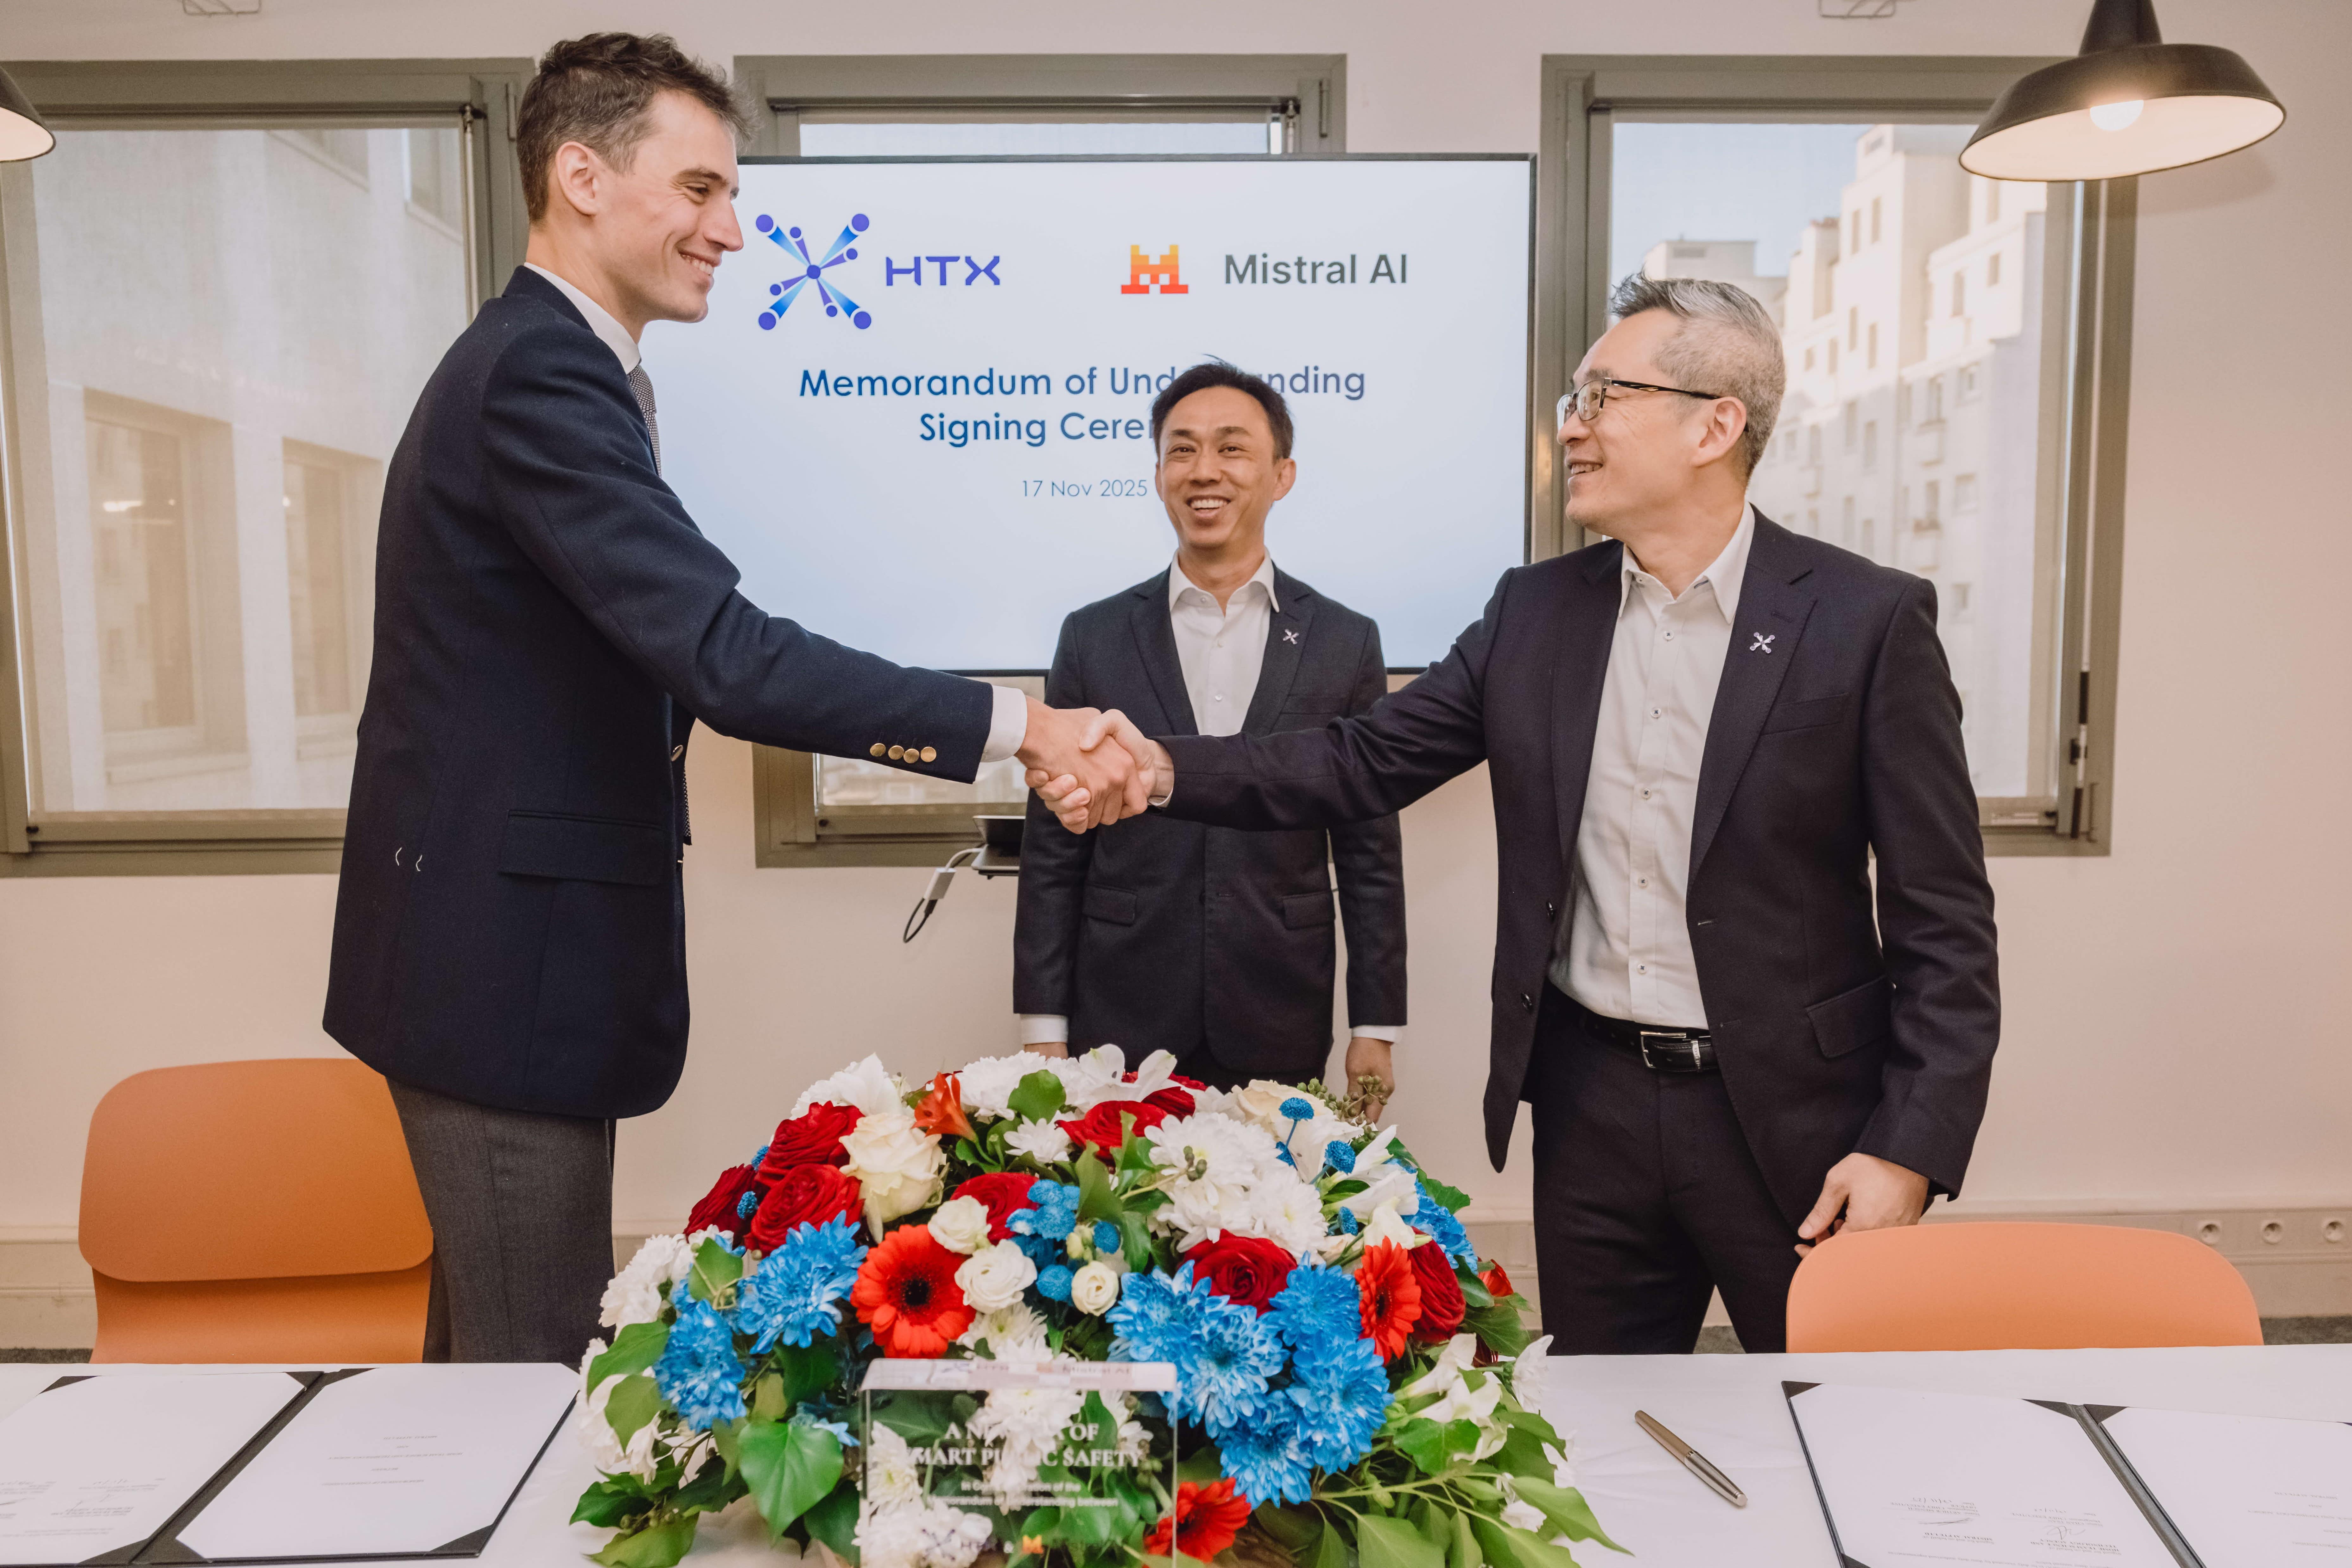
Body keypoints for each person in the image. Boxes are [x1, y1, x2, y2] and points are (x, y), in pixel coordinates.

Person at [324, 33, 1140, 1364]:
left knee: (486, 1379)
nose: (736, 230)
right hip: (494, 973)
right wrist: (1026, 724)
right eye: (701, 190)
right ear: (581, 176)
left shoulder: (564, 367)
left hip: (500, 965)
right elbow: (725, 652)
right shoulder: (539, 371)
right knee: (527, 1390)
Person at [1037, 276, 2000, 1355]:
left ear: (1713, 426)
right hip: (1588, 1109)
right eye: (1571, 401)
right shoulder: (1533, 611)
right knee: (1606, 1432)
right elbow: (1359, 761)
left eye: (1603, 396)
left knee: (1832, 1422)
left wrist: (1906, 1147)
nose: (1572, 427)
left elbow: (1943, 923)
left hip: (1795, 1117)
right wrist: (1157, 767)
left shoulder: (1863, 621)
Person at [1014, 362, 1407, 1105]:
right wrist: (1043, 1023)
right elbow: (1053, 849)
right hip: (1122, 1002)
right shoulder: (1093, 638)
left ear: (1282, 474)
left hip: (1280, 997)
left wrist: (1376, 1026)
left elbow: (1371, 853)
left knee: (1278, 1218)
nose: (1205, 472)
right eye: (1182, 450)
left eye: (1232, 449)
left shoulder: (1344, 641)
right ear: (1159, 473)